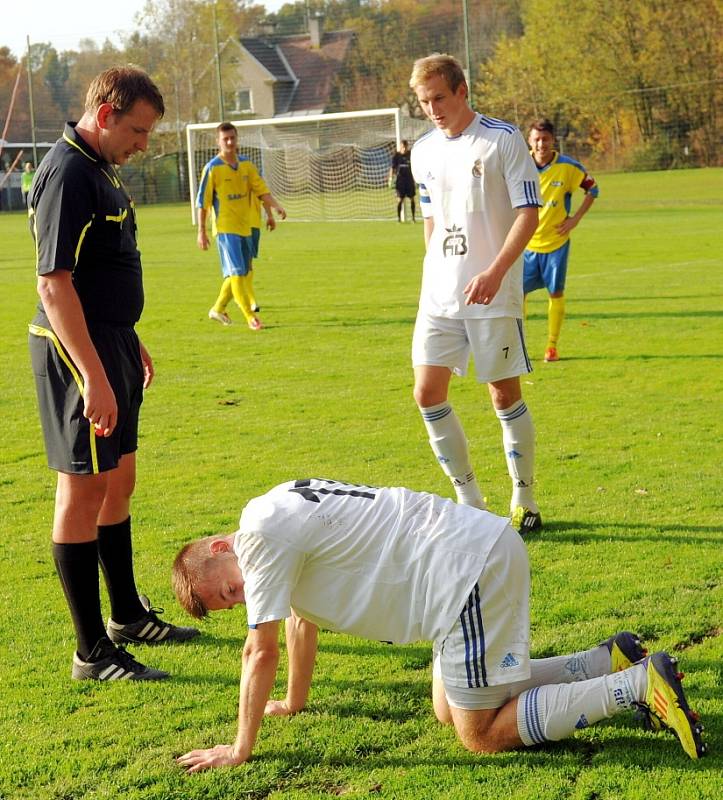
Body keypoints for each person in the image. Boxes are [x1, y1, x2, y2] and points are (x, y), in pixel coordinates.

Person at [172, 478, 705, 771]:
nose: (242, 599)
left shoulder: (260, 536)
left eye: (230, 589)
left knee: (480, 733)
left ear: (221, 549)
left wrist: (239, 747)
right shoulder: (273, 512)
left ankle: (639, 684)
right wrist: (294, 701)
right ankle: (603, 661)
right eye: (232, 603)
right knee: (448, 710)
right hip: (469, 559)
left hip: (464, 573)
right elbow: (297, 622)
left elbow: (258, 651)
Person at [27, 66, 200, 682]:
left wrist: (130, 337)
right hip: (79, 354)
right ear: (105, 113)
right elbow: (54, 285)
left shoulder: (100, 168)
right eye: (138, 129)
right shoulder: (69, 172)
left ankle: (126, 615)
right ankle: (91, 650)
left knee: (118, 479)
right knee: (83, 489)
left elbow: (100, 274)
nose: (143, 143)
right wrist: (94, 375)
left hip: (112, 343)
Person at [408, 54, 542, 534]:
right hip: (438, 296)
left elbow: (529, 212)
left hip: (493, 292)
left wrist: (495, 271)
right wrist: (433, 270)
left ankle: (524, 499)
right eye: (424, 102)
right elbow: (430, 219)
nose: (433, 109)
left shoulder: (501, 140)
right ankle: (470, 503)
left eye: (439, 97)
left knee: (502, 394)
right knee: (426, 394)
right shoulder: (422, 151)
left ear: (463, 91)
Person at [196, 122, 286, 330]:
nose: (229, 142)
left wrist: (275, 208)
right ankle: (250, 317)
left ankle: (218, 308)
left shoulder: (246, 165)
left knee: (241, 272)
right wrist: (201, 231)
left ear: (237, 139)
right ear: (218, 142)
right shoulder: (212, 168)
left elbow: (261, 189)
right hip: (226, 229)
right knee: (237, 272)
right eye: (225, 138)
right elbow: (203, 203)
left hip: (246, 226)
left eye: (232, 138)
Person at [524, 119, 599, 362]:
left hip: (556, 243)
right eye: (536, 139)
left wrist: (575, 219)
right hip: (526, 244)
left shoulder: (568, 167)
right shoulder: (520, 164)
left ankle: (551, 346)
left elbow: (592, 189)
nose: (541, 144)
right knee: (517, 294)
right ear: (529, 141)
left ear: (553, 140)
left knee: (555, 293)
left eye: (545, 139)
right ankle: (518, 346)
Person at [389, 139, 416, 222]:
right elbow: (392, 168)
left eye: (405, 147)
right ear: (400, 147)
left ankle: (413, 218)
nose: (404, 149)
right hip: (400, 181)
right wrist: (390, 179)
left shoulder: (411, 155)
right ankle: (399, 218)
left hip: (409, 180)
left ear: (407, 147)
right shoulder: (396, 156)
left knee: (412, 199)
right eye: (403, 147)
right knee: (400, 199)